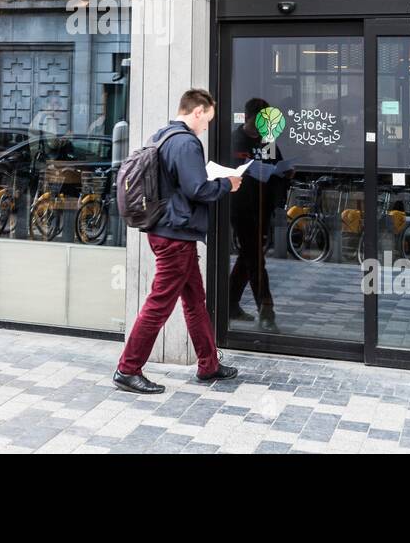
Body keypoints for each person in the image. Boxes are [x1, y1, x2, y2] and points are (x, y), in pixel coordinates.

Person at [114, 89, 242, 395]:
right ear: (197, 111)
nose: (206, 127)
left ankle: (208, 363)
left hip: (168, 231)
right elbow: (197, 189)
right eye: (207, 120)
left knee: (195, 300)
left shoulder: (162, 136)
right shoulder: (185, 142)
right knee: (159, 304)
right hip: (176, 236)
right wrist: (227, 184)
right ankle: (128, 369)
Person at [228, 98, 287, 333]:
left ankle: (230, 304)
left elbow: (278, 168)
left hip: (263, 208)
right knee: (255, 258)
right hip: (241, 208)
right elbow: (228, 171)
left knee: (248, 256)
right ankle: (267, 310)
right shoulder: (234, 140)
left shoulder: (267, 141)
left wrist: (285, 174)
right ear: (248, 117)